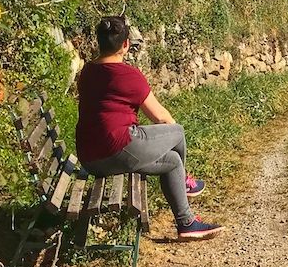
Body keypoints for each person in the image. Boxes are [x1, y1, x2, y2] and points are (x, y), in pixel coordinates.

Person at [76, 15, 222, 241]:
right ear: (125, 45)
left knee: (172, 162)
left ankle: (187, 223)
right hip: (118, 149)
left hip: (90, 158)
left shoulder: (86, 72)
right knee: (177, 131)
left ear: (100, 42)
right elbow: (160, 117)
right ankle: (185, 182)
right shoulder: (128, 76)